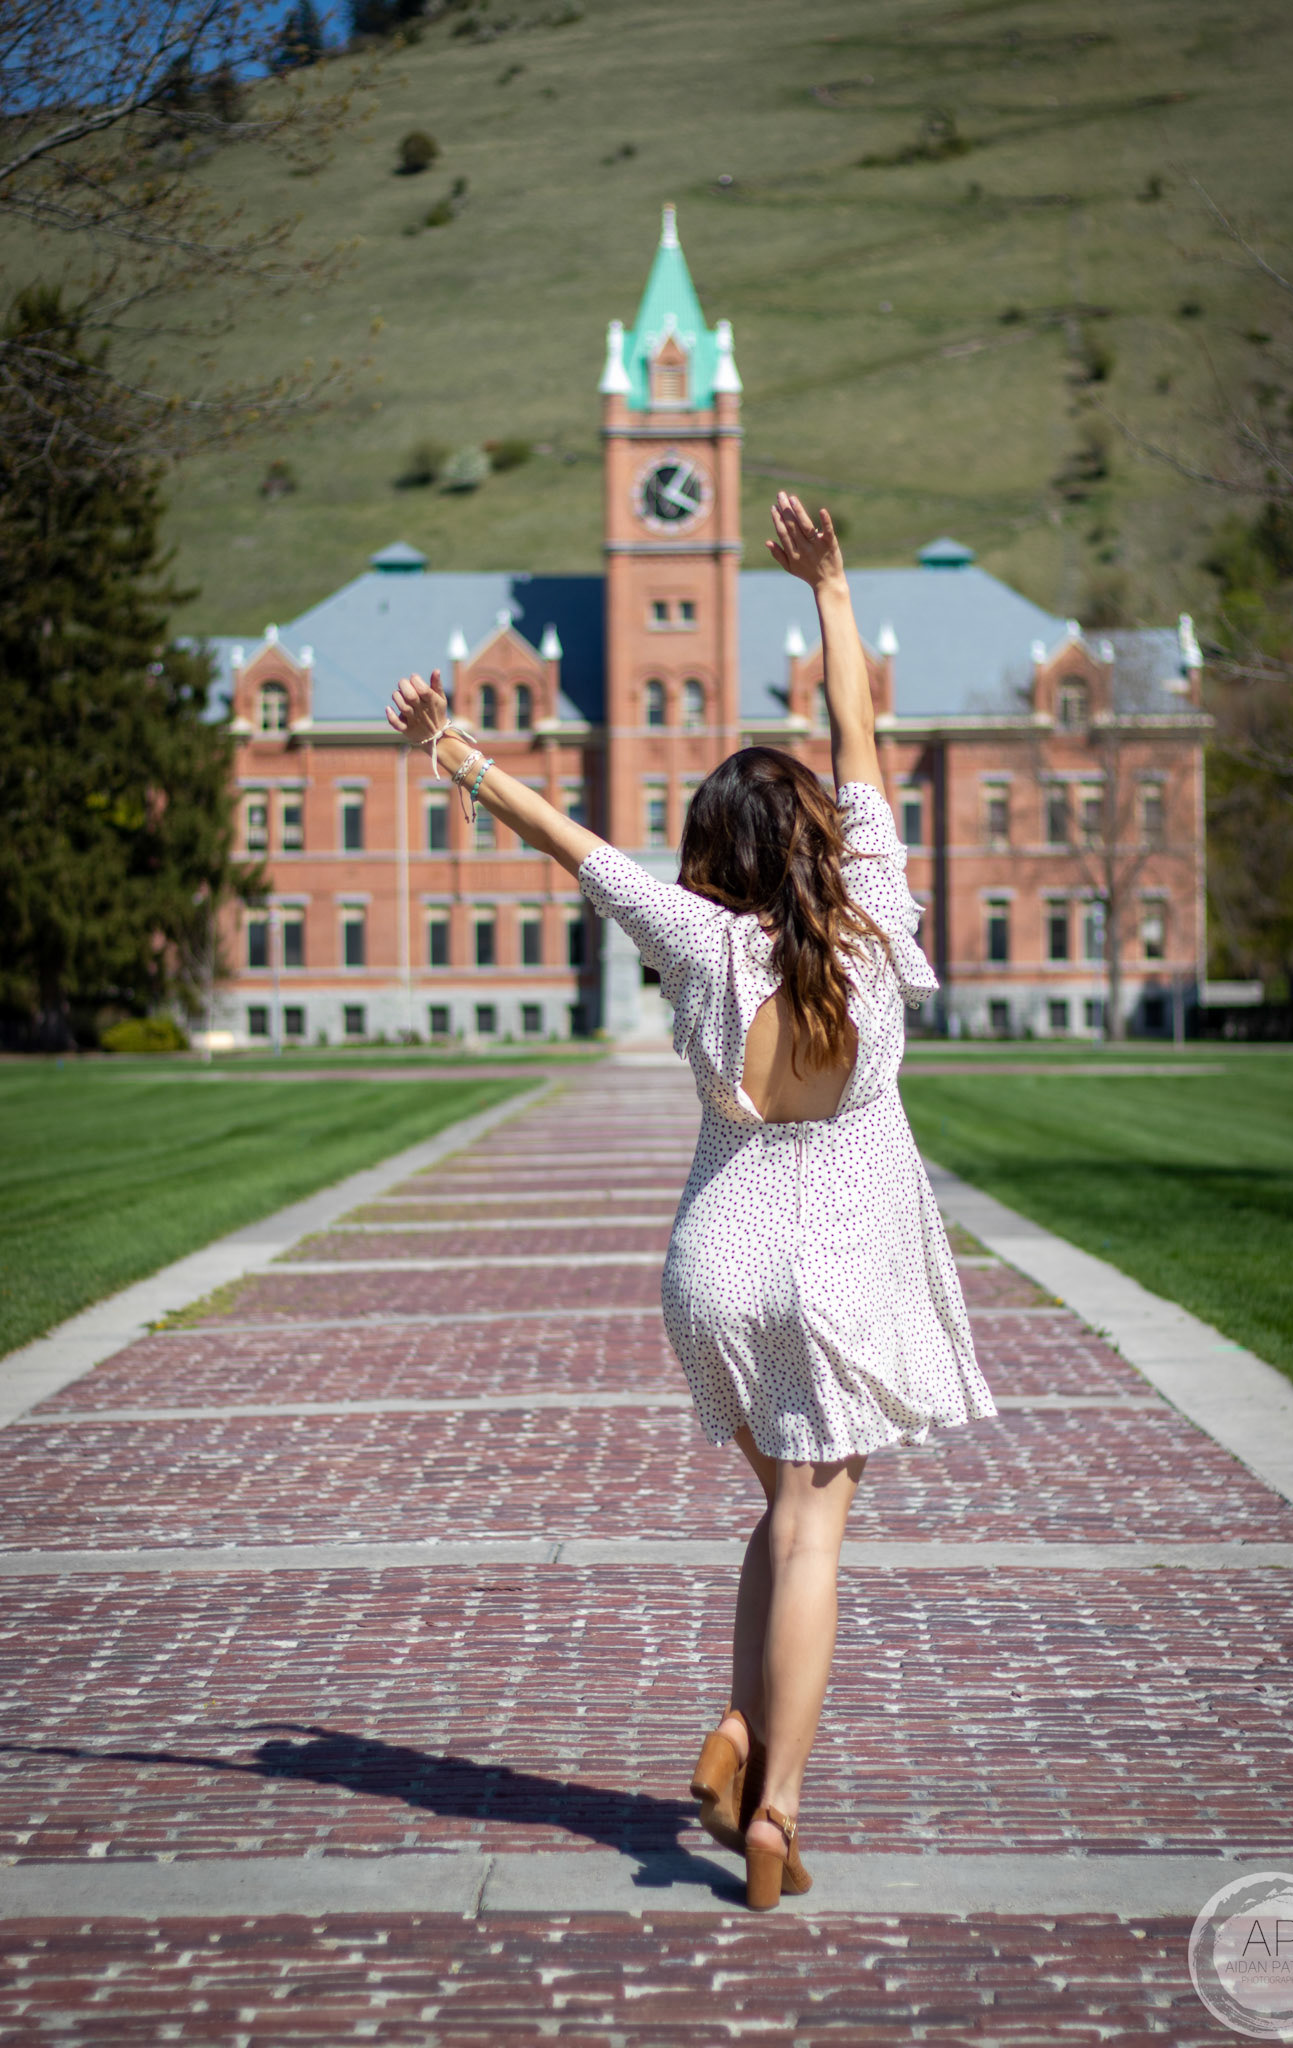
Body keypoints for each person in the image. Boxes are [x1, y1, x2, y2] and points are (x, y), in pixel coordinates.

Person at [385, 492, 997, 1911]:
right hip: (836, 1258)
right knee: (815, 1530)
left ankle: (733, 1733)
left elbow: (571, 842)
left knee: (780, 1514)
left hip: (717, 1259)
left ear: (717, 853)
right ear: (814, 837)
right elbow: (856, 736)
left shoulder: (698, 939)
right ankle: (776, 1808)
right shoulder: (871, 909)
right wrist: (829, 588)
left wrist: (451, 752)